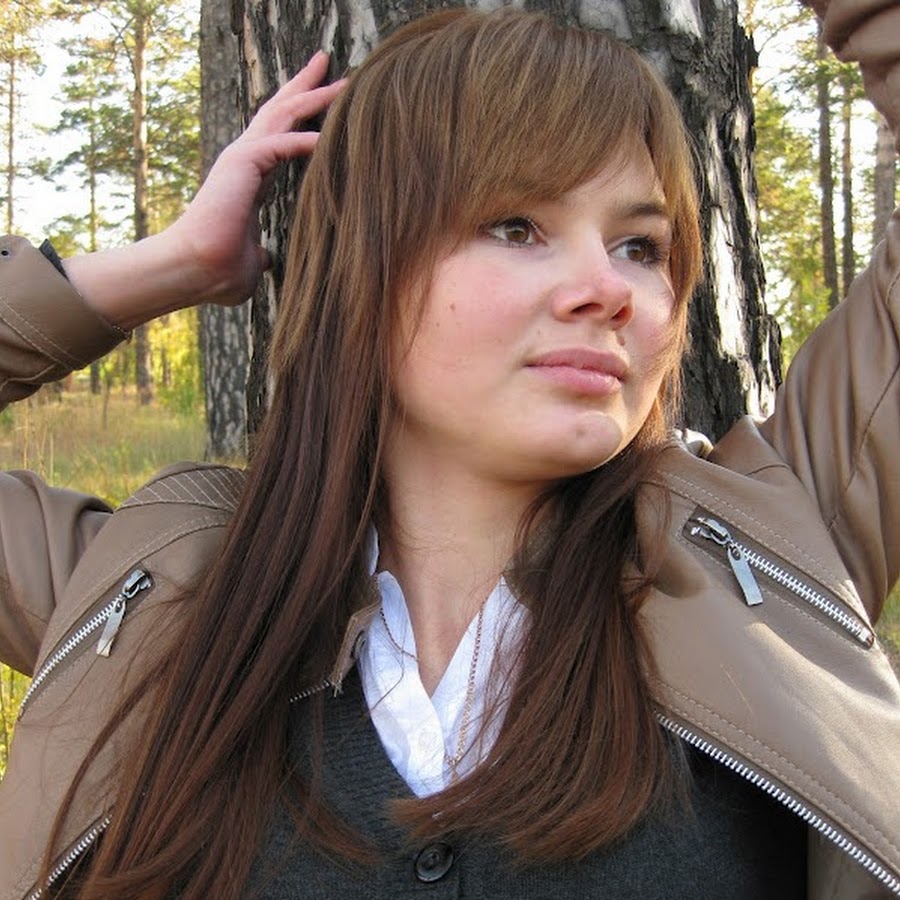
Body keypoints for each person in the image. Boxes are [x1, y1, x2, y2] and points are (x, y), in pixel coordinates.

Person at [1, 0, 899, 897]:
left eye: (640, 245)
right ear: (364, 267)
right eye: (517, 227)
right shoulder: (164, 591)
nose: (608, 289)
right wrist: (172, 265)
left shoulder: (775, 550)